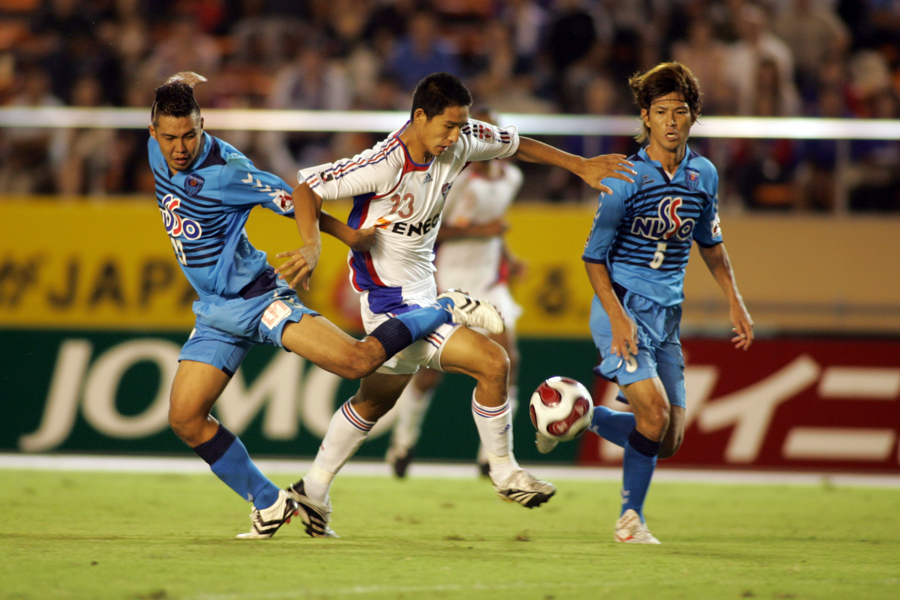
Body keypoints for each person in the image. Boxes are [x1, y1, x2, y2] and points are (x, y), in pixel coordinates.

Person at [275, 71, 636, 537]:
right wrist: (320, 242)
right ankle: (504, 472)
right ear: (419, 116)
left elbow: (517, 144)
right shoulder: (384, 163)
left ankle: (314, 487)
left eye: (462, 125)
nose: (456, 135)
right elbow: (303, 189)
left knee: (372, 403)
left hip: (417, 290)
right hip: (387, 301)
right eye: (448, 125)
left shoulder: (462, 140)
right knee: (493, 361)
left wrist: (580, 165)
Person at [147, 72, 505, 540]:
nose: (179, 147)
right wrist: (177, 82)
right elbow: (165, 107)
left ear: (202, 124)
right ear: (153, 130)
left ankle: (446, 306)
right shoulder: (157, 146)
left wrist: (344, 237)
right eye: (170, 136)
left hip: (258, 299)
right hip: (215, 309)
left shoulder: (229, 170)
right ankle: (270, 502)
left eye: (190, 134)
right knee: (186, 418)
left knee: (357, 363)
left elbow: (294, 198)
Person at [538, 62, 754, 544]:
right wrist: (616, 317)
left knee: (669, 438)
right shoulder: (625, 177)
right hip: (622, 304)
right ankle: (629, 521)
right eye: (661, 112)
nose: (672, 121)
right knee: (652, 416)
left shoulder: (704, 175)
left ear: (693, 117)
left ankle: (580, 415)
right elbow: (593, 260)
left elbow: (711, 246)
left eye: (680, 111)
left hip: (666, 316)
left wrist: (735, 303)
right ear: (646, 117)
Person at [385, 107, 526, 478]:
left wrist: (509, 256)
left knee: (508, 360)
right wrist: (482, 232)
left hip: (490, 282)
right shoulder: (454, 178)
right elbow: (436, 232)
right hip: (450, 282)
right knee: (430, 372)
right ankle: (403, 443)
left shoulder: (512, 177)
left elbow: (496, 228)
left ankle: (492, 457)